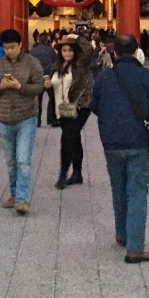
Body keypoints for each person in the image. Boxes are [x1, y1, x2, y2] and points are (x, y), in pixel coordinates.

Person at [91, 33, 149, 263]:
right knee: (136, 190)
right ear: (136, 51)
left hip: (111, 141)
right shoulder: (146, 76)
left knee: (118, 187)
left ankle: (123, 233)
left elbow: (94, 105)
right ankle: (135, 247)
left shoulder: (104, 78)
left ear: (115, 52)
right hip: (138, 140)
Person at [0, 29, 44, 215]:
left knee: (23, 160)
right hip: (4, 117)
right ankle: (13, 194)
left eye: (12, 47)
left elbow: (39, 87)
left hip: (26, 116)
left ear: (20, 45)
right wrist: (0, 86)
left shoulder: (32, 63)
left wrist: (20, 87)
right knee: (11, 161)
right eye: (6, 48)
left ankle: (22, 199)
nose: (9, 51)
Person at [45, 37, 93, 188]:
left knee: (67, 139)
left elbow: (89, 49)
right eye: (64, 50)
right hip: (62, 110)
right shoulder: (56, 67)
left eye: (70, 50)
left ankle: (62, 174)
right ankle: (77, 173)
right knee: (74, 138)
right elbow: (53, 90)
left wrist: (76, 36)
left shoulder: (80, 65)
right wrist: (47, 85)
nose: (67, 53)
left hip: (80, 108)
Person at [30, 33, 57, 127]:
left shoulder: (32, 51)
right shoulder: (51, 50)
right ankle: (51, 119)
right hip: (48, 77)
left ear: (38, 40)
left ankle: (37, 121)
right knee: (52, 98)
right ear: (47, 41)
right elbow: (56, 62)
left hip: (37, 77)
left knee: (38, 100)